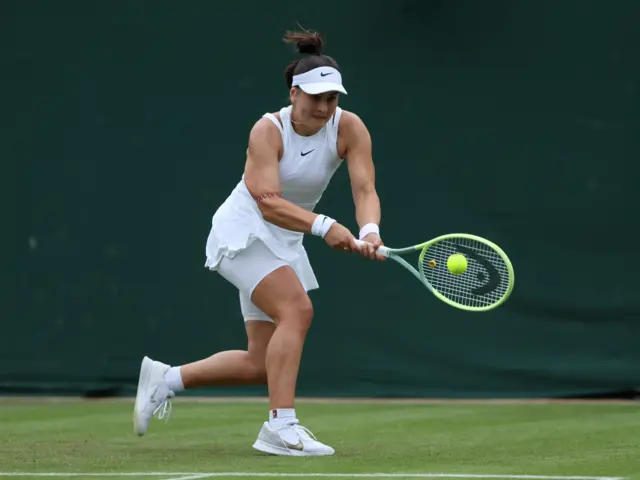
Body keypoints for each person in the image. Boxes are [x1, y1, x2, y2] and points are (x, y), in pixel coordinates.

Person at [132, 28, 385, 457]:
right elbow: (267, 203)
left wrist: (369, 231)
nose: (324, 107)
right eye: (315, 98)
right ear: (294, 93)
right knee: (297, 309)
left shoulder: (351, 128)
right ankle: (280, 427)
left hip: (285, 239)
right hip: (244, 230)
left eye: (332, 98)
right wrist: (324, 226)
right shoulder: (267, 131)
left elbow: (365, 189)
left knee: (260, 362)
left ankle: (165, 379)